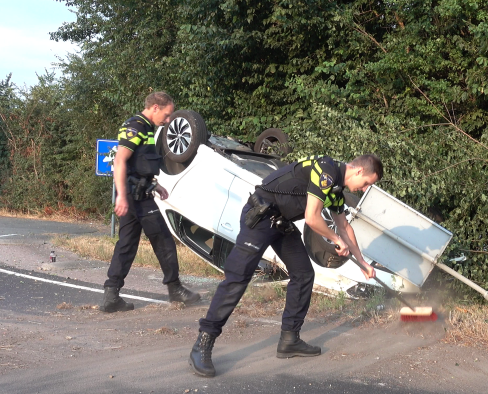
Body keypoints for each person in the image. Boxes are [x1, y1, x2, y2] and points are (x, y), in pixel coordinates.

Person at [189, 154, 383, 377]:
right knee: (238, 278)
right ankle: (202, 344)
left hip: (281, 222)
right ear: (358, 171)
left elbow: (345, 227)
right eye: (366, 183)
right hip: (261, 217)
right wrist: (336, 240)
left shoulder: (337, 191)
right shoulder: (327, 170)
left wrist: (363, 263)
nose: (363, 188)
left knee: (303, 273)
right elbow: (312, 217)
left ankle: (290, 339)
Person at [100, 92, 201, 313]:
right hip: (135, 199)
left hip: (140, 193)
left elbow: (139, 165)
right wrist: (122, 196)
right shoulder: (136, 127)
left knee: (126, 245)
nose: (167, 120)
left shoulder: (146, 128)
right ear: (155, 108)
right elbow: (119, 161)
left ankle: (111, 295)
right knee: (163, 240)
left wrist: (154, 185)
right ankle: (175, 290)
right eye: (166, 115)